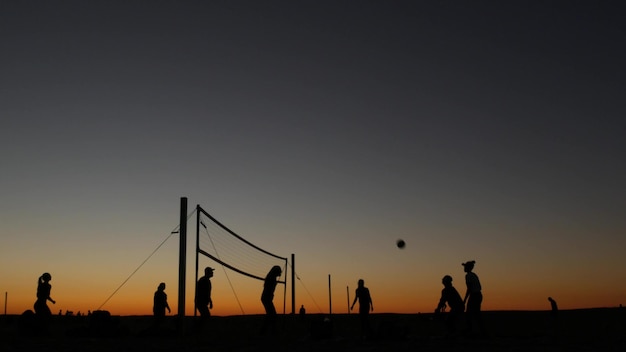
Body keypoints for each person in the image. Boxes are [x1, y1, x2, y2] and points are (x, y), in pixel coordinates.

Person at [462, 260, 485, 335]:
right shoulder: (474, 275)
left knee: (469, 313)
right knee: (476, 313)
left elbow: (469, 288)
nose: (464, 268)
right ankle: (481, 330)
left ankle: (470, 330)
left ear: (468, 268)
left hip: (474, 295)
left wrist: (465, 300)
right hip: (478, 295)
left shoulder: (468, 276)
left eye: (465, 267)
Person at [261, 265, 282, 333]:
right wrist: (271, 295)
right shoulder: (271, 278)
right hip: (266, 298)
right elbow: (269, 289)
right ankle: (271, 330)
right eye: (279, 271)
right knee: (272, 315)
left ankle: (265, 330)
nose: (280, 273)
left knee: (270, 315)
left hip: (266, 298)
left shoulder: (272, 277)